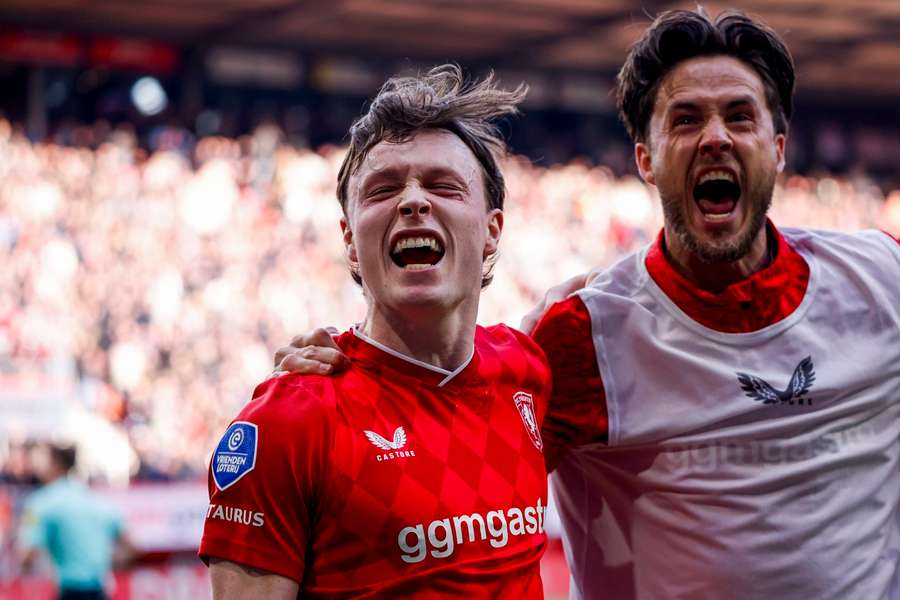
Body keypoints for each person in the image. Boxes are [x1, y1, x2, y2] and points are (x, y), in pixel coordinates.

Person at [273, 9, 900, 600]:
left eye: (740, 117)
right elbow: (443, 422)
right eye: (685, 120)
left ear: (779, 148)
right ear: (646, 161)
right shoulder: (582, 336)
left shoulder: (882, 277)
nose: (715, 137)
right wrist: (346, 377)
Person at [199, 65, 554, 598]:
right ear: (348, 241)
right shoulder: (289, 424)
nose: (414, 201)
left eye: (443, 185)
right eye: (383, 190)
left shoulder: (529, 368)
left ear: (491, 232)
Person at [17, 444, 136, 600]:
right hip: (100, 591)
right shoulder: (97, 500)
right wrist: (101, 563)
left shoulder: (41, 503)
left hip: (69, 591)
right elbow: (132, 549)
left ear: (54, 463)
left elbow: (27, 556)